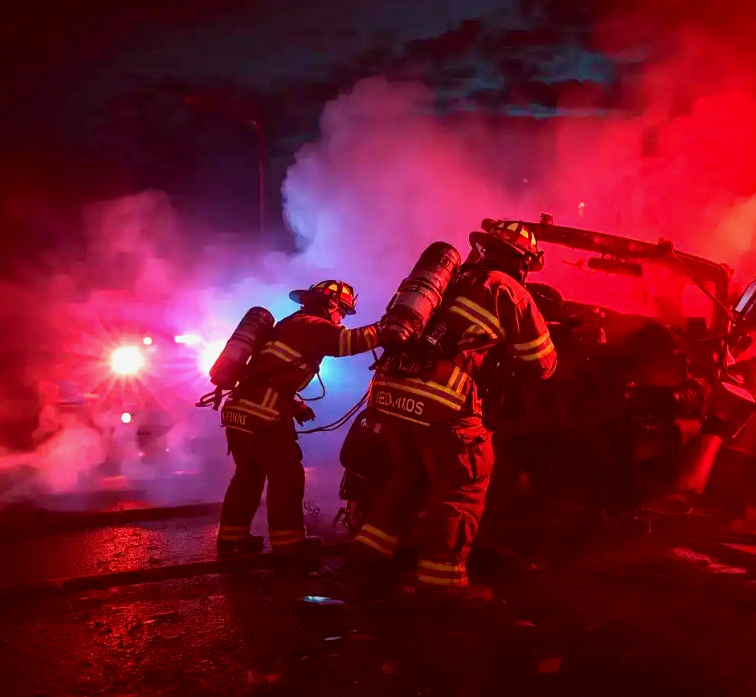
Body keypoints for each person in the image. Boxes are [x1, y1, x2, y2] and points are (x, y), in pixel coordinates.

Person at [354, 221, 557, 603]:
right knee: (461, 484)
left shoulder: (448, 280)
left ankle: (368, 553)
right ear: (523, 260)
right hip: (441, 401)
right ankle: (442, 584)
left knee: (409, 475)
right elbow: (543, 364)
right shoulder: (508, 290)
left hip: (389, 393)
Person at [217, 280, 383, 557]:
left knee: (247, 476)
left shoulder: (290, 323)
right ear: (331, 304)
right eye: (342, 311)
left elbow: (267, 373)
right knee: (287, 477)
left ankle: (231, 538)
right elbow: (347, 342)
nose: (341, 318)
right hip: (264, 416)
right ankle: (289, 544)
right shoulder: (312, 325)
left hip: (240, 409)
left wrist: (295, 405)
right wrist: (390, 328)